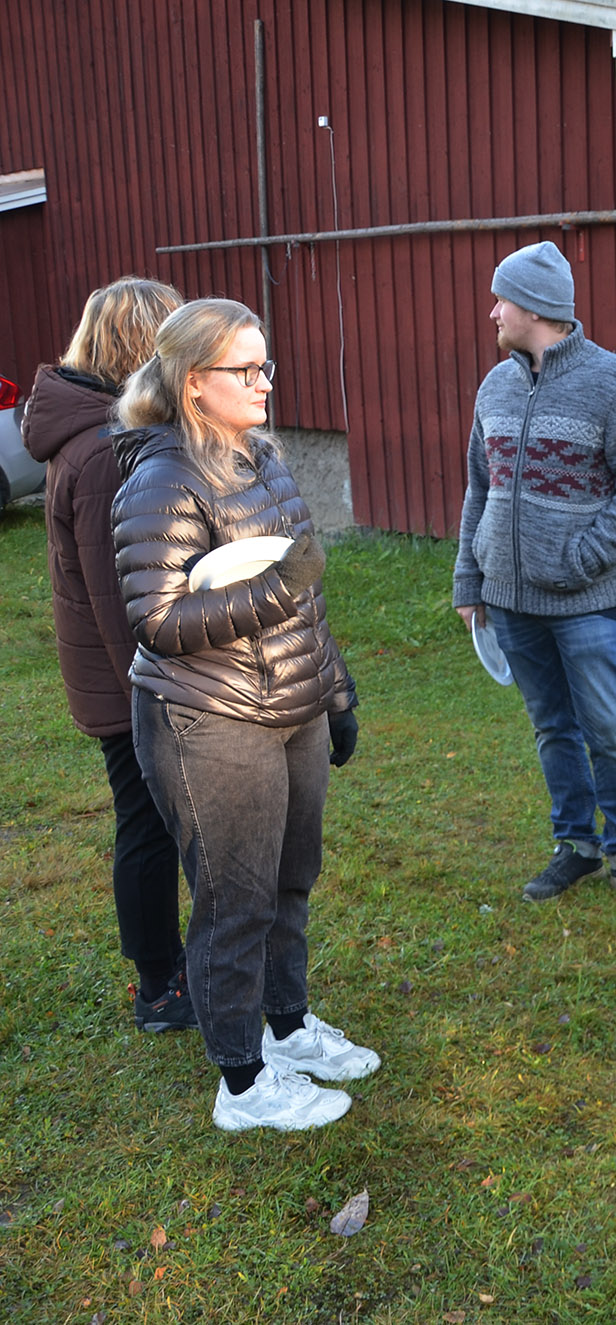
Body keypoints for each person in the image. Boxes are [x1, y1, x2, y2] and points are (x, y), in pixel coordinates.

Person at [112, 298, 375, 1132]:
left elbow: (308, 600)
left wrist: (334, 691)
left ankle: (289, 1027)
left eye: (267, 365)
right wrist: (272, 592)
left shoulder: (261, 458)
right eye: (246, 369)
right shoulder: (162, 478)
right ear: (195, 386)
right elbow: (156, 620)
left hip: (290, 706)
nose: (266, 382)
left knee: (290, 879)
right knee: (235, 897)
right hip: (209, 718)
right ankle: (242, 1078)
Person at [452, 241, 616, 903]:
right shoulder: (494, 386)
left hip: (588, 604)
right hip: (512, 602)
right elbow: (479, 488)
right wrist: (470, 580)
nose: (492, 311)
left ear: (534, 307)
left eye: (501, 299)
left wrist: (582, 557)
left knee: (608, 727)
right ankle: (575, 845)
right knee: (552, 725)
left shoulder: (615, 383)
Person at [22, 277, 191, 1032]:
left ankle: (175, 968)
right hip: (130, 682)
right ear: (140, 347)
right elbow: (114, 592)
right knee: (149, 824)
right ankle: (160, 985)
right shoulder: (98, 451)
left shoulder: (103, 433)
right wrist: (158, 685)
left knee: (157, 820)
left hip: (132, 676)